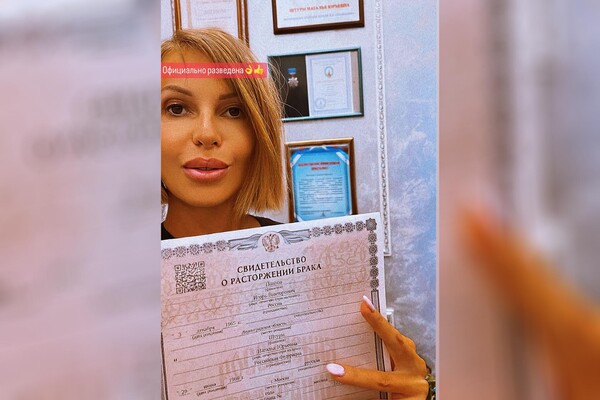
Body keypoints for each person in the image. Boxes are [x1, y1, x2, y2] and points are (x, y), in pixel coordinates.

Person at [161, 28, 431, 399]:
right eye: (176, 108)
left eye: (234, 110)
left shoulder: (313, 261)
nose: (207, 134)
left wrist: (412, 394)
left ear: (259, 134)